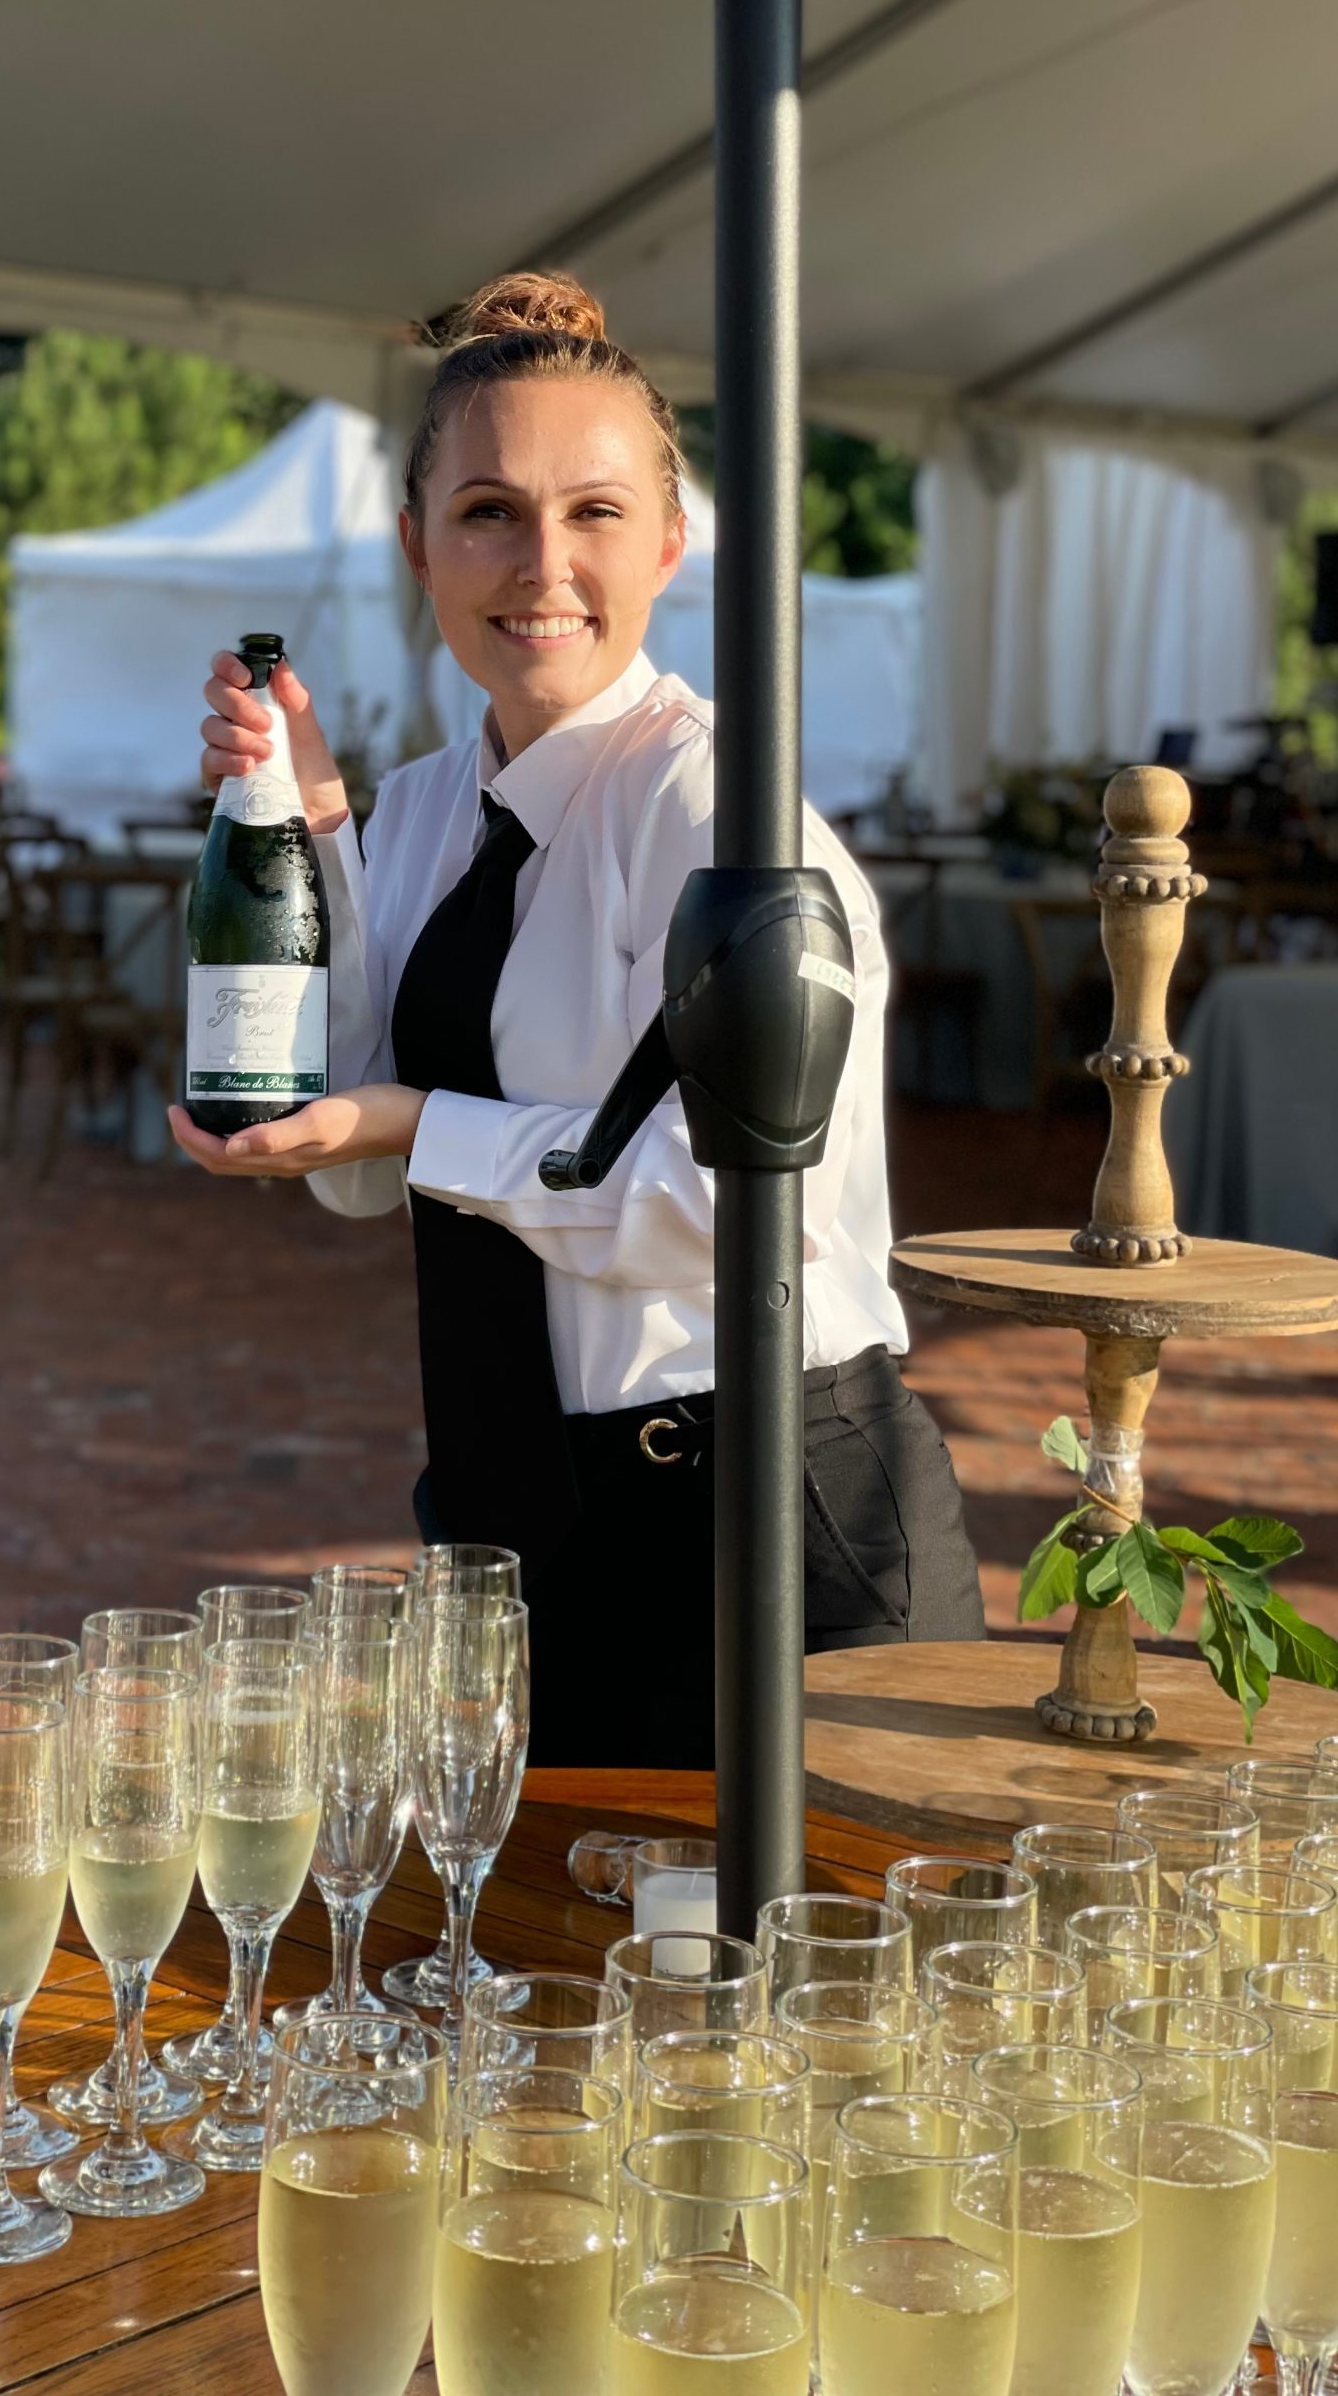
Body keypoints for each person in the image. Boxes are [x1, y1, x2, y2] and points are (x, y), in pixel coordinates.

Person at [170, 271, 984, 1764]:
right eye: (487, 510)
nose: (542, 561)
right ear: (418, 545)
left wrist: (422, 1124)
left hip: (767, 1523)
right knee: (556, 1974)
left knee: (789, 1996)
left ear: (672, 543)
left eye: (594, 512)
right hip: (516, 1523)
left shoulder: (723, 814)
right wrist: (318, 832)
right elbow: (354, 1175)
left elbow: (734, 1208)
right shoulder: (419, 811)